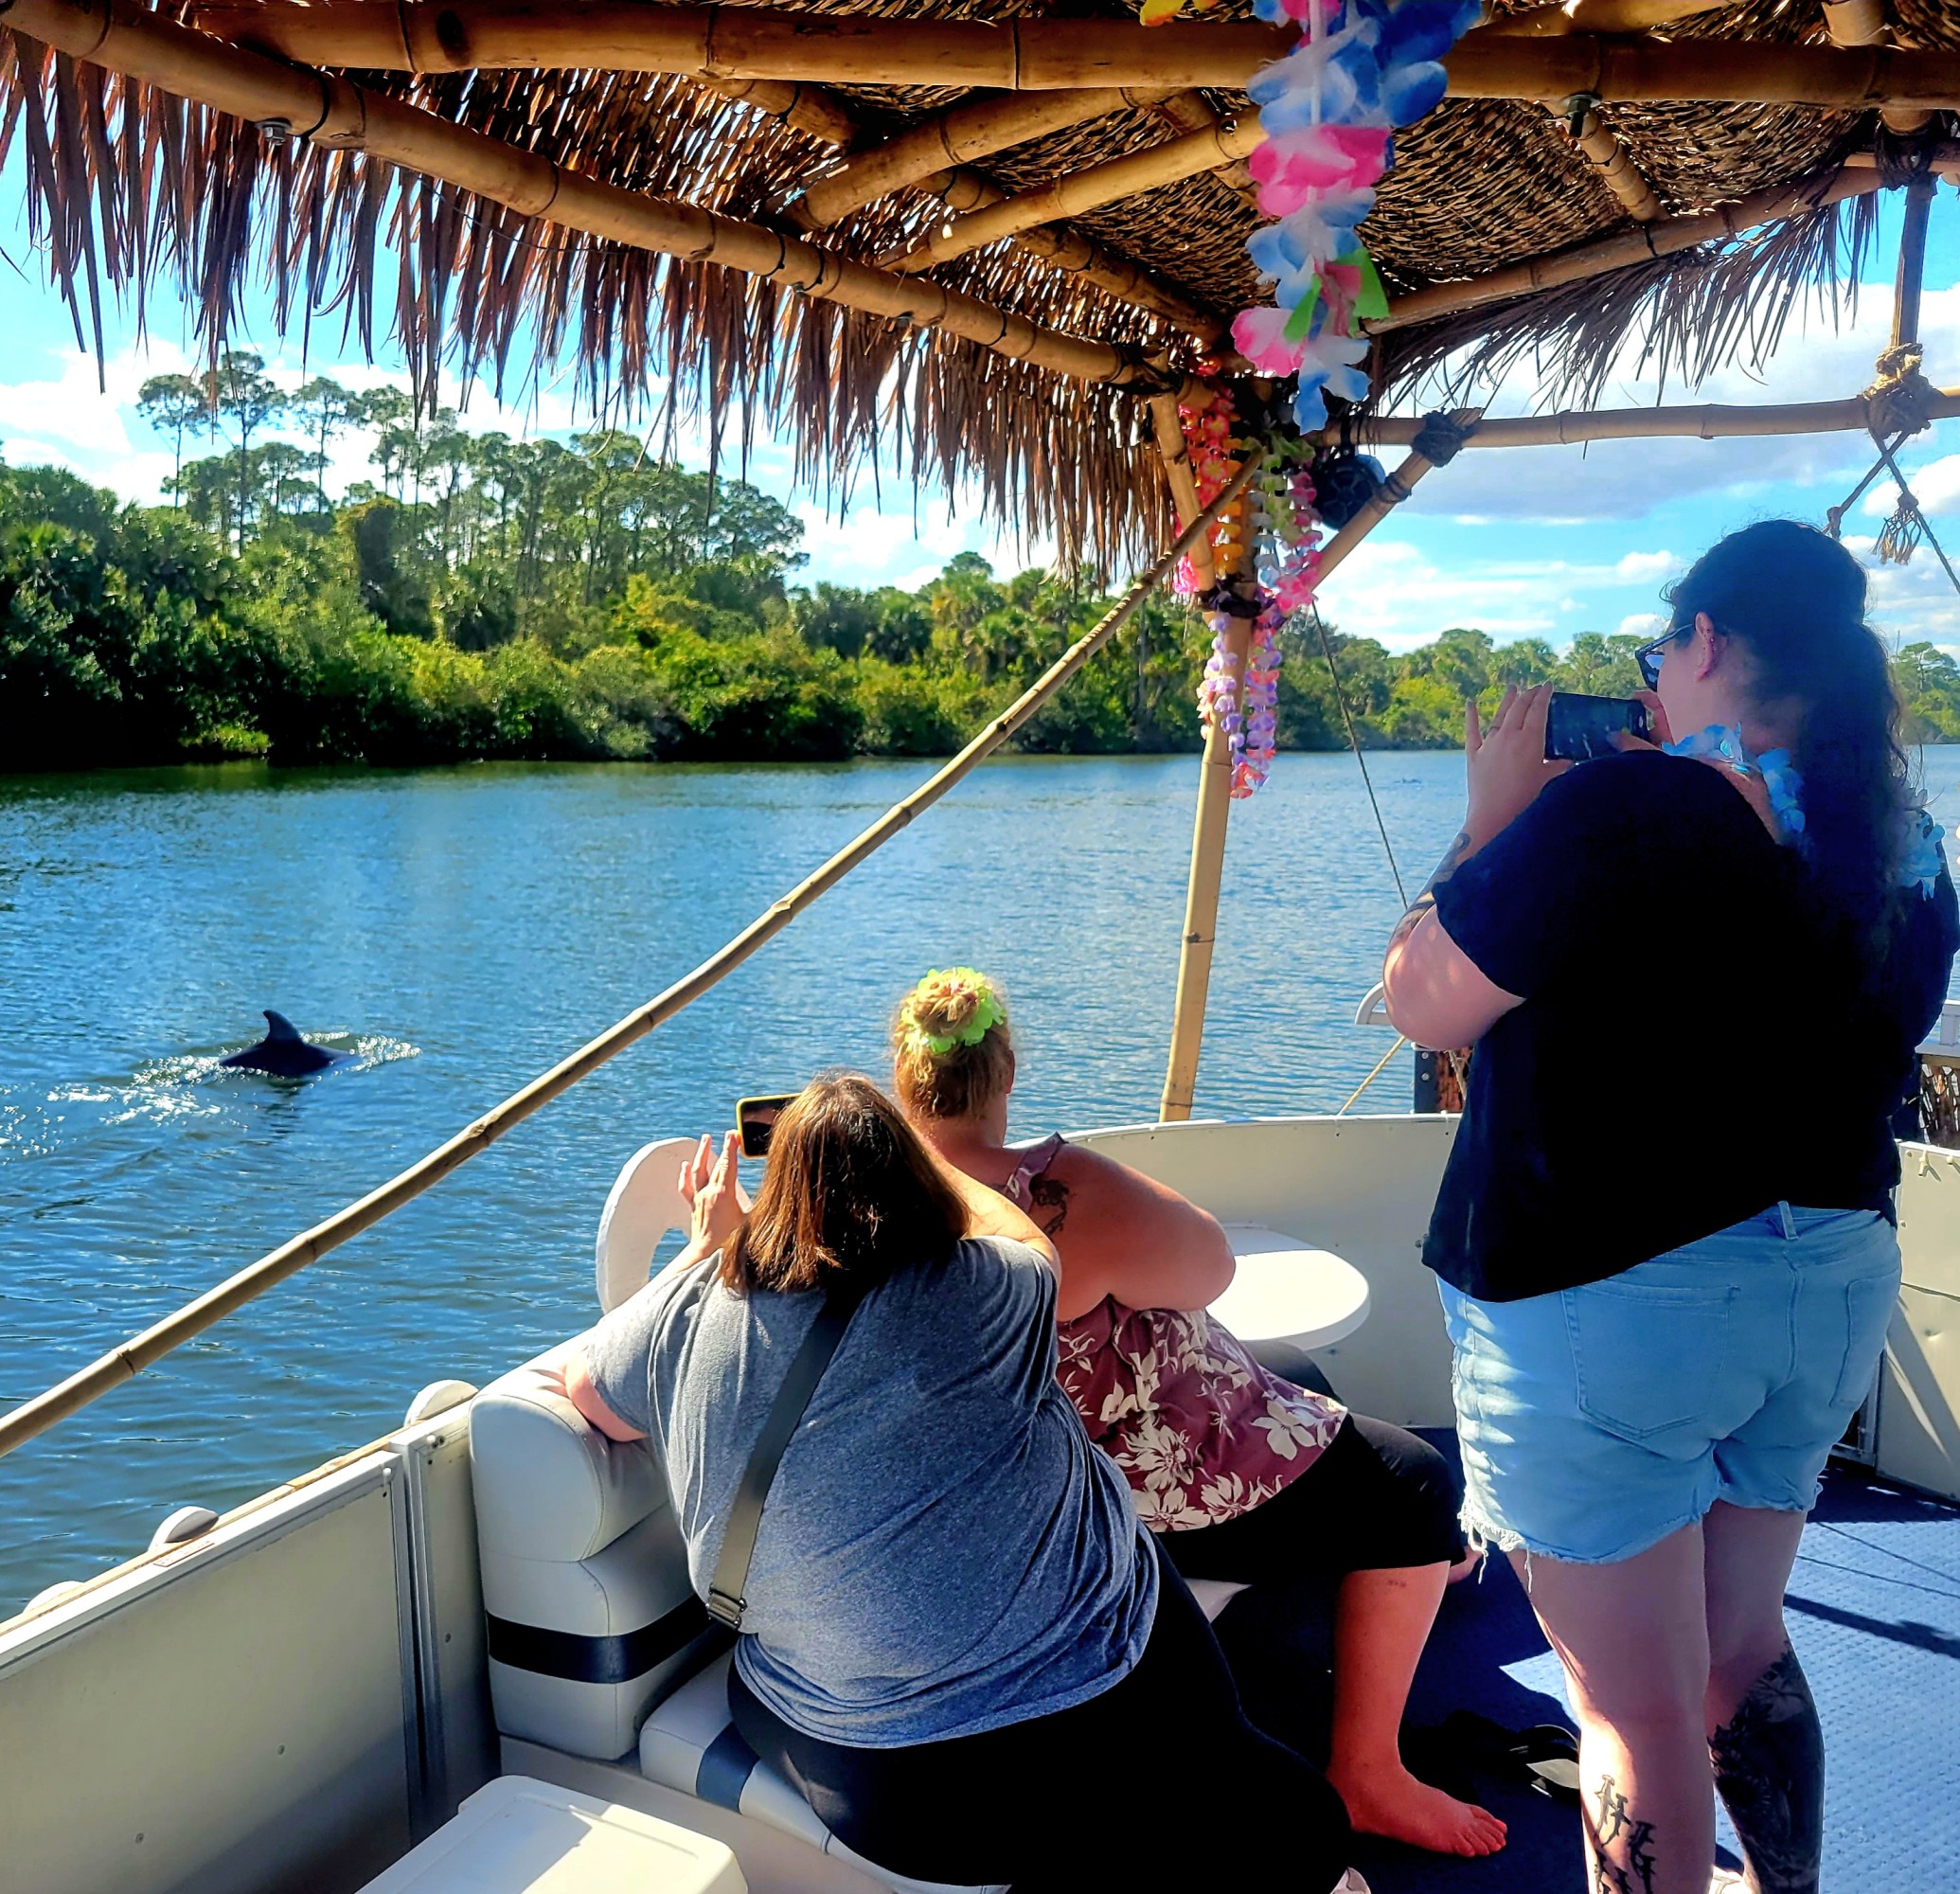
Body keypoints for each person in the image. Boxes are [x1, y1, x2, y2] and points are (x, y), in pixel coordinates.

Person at [1380, 521, 1960, 1894]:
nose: (1649, 682)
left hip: (1612, 1311)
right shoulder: (1906, 848)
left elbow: (1423, 1000)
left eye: (1658, 651)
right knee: (1741, 1640)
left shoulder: (1619, 814)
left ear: (1705, 645)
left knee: (1627, 1707)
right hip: (1820, 1285)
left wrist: (1488, 819)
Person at [560, 1072, 1357, 1893]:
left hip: (898, 1799)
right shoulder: (983, 1286)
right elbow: (1025, 1236)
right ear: (910, 1171)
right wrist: (928, 1152)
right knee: (1288, 1815)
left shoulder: (687, 1305)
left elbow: (592, 1399)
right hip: (1109, 1709)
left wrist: (706, 1249)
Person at [892, 969, 1508, 1860]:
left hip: (1032, 1484)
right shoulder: (1058, 1188)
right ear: (1007, 1074)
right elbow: (1210, 1269)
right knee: (1415, 1482)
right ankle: (1368, 1773)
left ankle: (1400, 1566)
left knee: (1296, 1375)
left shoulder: (879, 1203)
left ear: (904, 1083)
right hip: (1135, 1499)